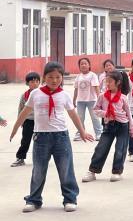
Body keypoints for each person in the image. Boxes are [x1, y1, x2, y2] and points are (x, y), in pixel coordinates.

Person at [10, 61, 94, 213]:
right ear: (44, 77)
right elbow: (25, 111)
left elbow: (73, 114)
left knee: (65, 169)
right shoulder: (36, 94)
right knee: (38, 170)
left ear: (62, 77)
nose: (54, 80)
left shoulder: (64, 95)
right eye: (50, 77)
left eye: (58, 77)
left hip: (61, 137)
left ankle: (70, 199)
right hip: (41, 138)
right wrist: (15, 128)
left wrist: (82, 131)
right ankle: (34, 200)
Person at [82, 70, 133, 183]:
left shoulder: (123, 97)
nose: (107, 84)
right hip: (108, 125)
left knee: (120, 149)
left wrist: (132, 128)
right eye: (106, 81)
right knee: (101, 148)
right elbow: (95, 109)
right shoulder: (102, 96)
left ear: (118, 82)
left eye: (110, 81)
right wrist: (105, 113)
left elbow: (128, 114)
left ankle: (117, 172)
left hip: (122, 126)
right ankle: (92, 171)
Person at [11, 72, 41, 167]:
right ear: (27, 83)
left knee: (41, 141)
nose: (35, 83)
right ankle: (20, 158)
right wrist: (20, 121)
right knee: (25, 140)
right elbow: (20, 109)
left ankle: (41, 159)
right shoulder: (25, 95)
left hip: (40, 121)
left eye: (37, 81)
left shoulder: (42, 94)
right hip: (28, 121)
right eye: (32, 82)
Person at [73, 57, 103, 141]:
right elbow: (76, 89)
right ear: (79, 66)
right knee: (80, 118)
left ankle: (99, 134)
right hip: (80, 101)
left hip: (91, 100)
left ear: (89, 65)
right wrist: (74, 100)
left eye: (85, 63)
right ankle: (80, 134)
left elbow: (96, 87)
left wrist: (99, 99)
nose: (83, 65)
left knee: (95, 117)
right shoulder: (78, 76)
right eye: (81, 64)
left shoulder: (92, 75)